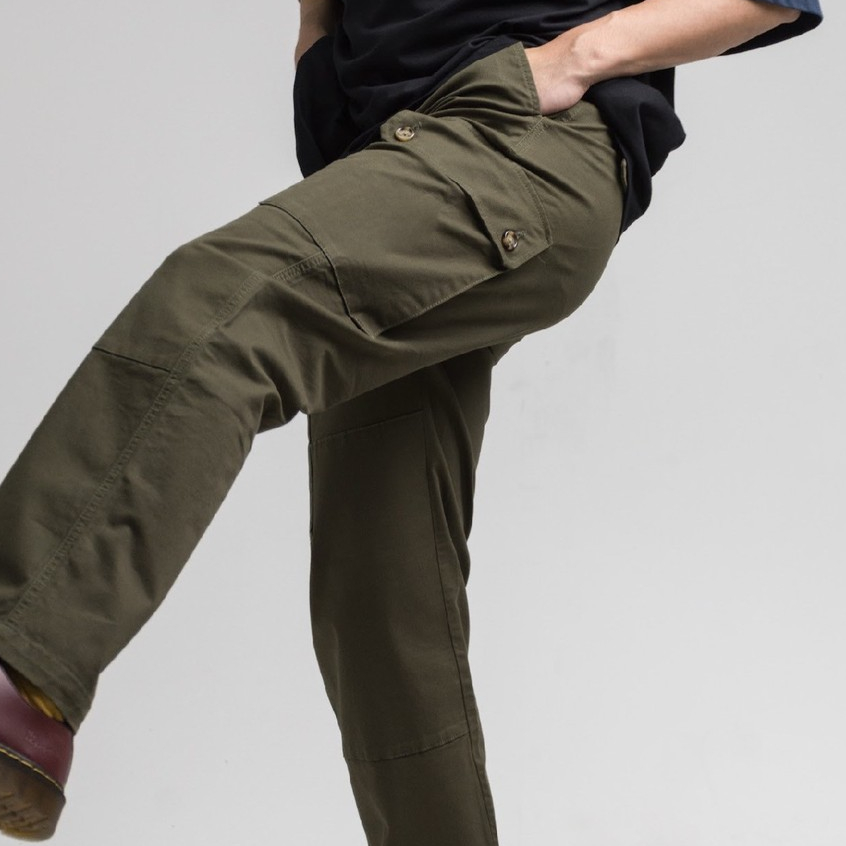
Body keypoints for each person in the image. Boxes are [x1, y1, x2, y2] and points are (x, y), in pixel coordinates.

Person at [0, 0, 823, 842]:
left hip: (515, 136)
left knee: (220, 303)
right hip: (388, 151)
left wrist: (577, 56)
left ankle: (19, 664)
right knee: (384, 590)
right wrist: (318, 55)